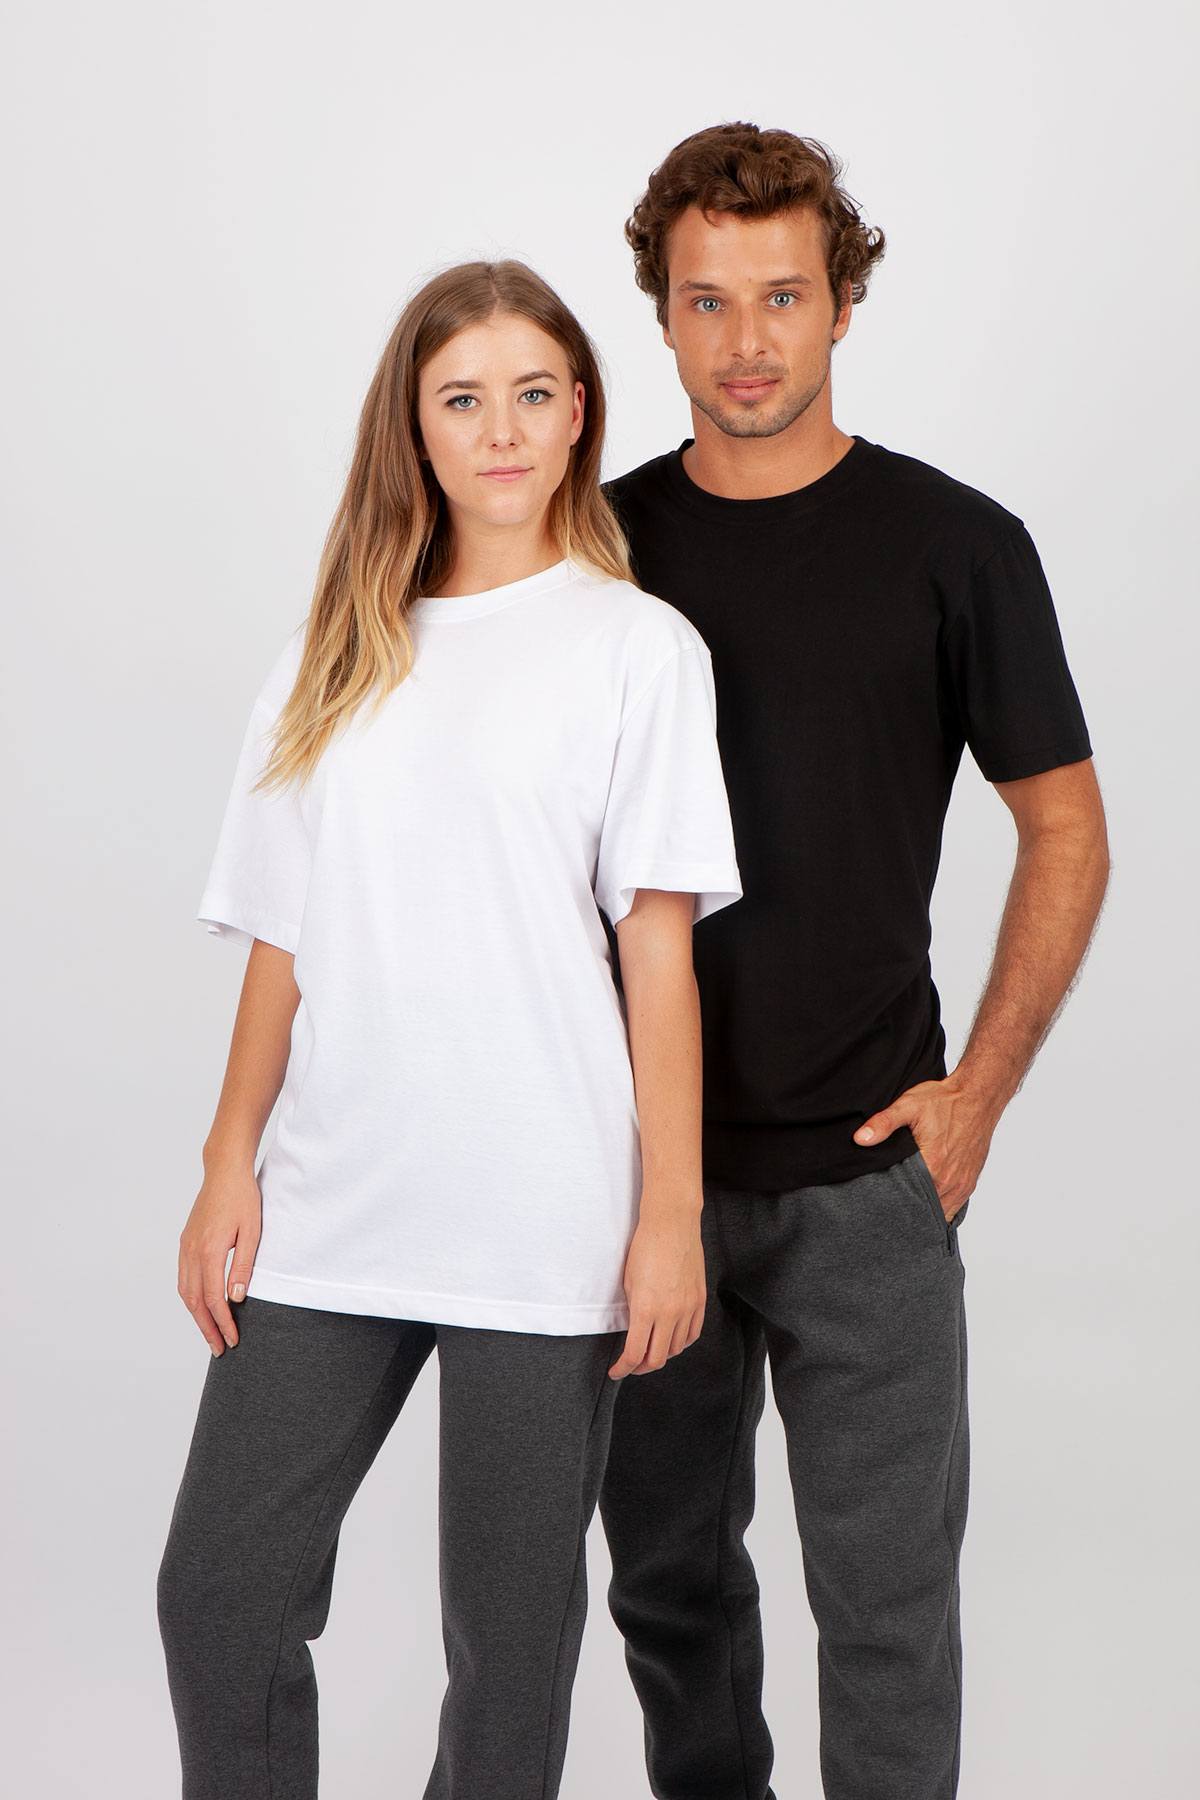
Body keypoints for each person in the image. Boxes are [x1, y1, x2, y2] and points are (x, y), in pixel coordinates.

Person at [155, 258, 742, 1800]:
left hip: (544, 1216)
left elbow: (659, 957)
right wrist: (227, 1162)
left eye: (533, 394)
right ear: (413, 427)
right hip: (334, 1207)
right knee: (217, 1597)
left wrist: (669, 1213)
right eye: (463, 399)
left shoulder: (638, 650)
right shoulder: (334, 654)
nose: (501, 430)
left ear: (580, 413)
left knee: (508, 1653)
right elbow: (283, 936)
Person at [598, 124, 1111, 1800]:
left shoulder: (957, 544)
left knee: (889, 1621)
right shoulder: (591, 554)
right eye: (707, 300)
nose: (746, 340)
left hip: (873, 1179)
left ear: (841, 304)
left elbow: (1067, 829)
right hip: (640, 1184)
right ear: (660, 317)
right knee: (670, 1596)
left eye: (783, 296)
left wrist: (981, 1096)